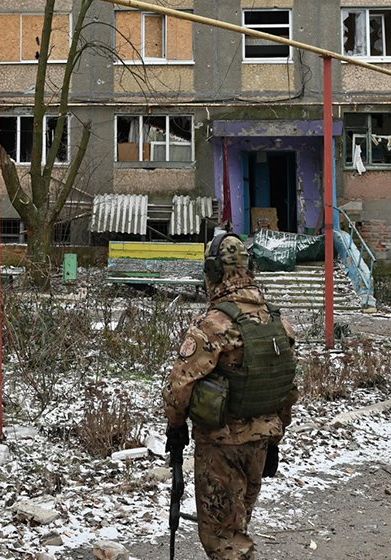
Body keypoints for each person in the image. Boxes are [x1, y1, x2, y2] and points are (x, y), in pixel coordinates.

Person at [163, 233, 299, 560]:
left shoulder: (212, 324)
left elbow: (179, 386)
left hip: (221, 445)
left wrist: (176, 426)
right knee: (237, 527)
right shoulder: (278, 323)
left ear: (212, 272)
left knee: (223, 539)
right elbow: (287, 388)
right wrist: (275, 438)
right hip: (260, 443)